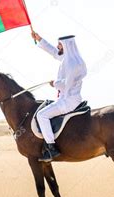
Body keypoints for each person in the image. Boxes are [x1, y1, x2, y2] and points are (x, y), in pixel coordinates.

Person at [31, 31, 87, 162]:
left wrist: (54, 83)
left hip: (67, 101)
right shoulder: (72, 59)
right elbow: (54, 53)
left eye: (59, 44)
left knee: (41, 115)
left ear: (66, 45)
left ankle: (51, 148)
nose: (57, 46)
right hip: (71, 98)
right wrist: (39, 39)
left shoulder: (71, 63)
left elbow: (67, 84)